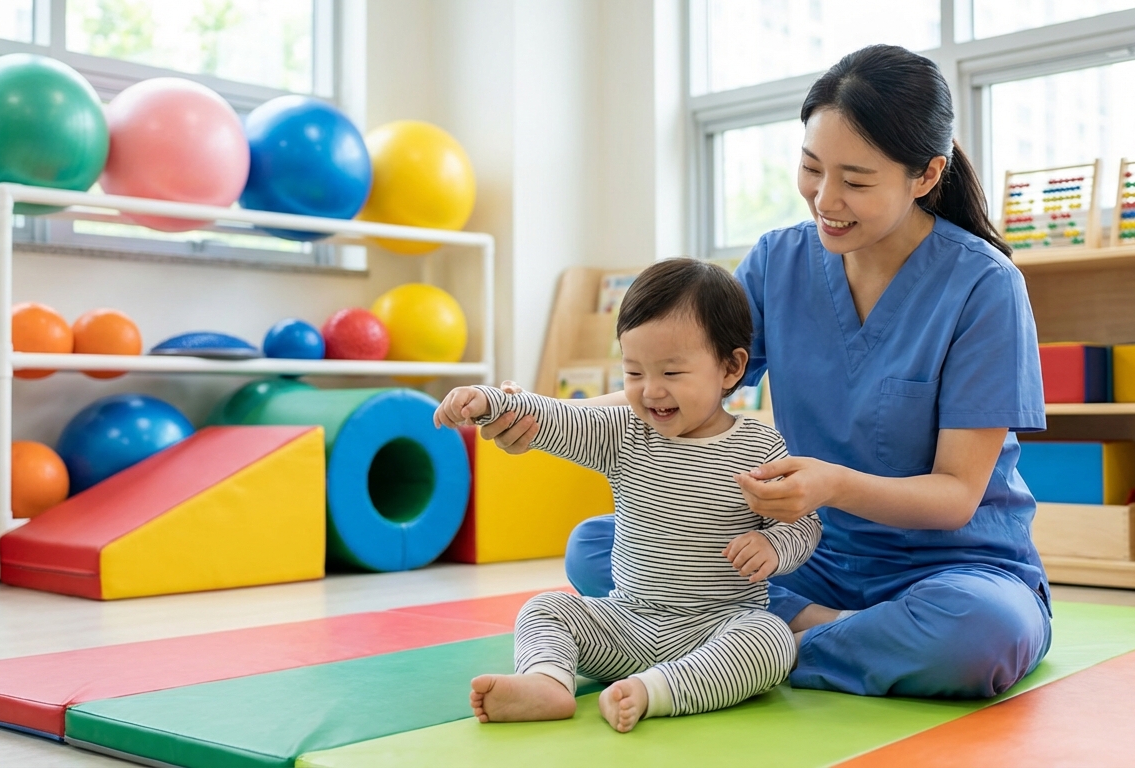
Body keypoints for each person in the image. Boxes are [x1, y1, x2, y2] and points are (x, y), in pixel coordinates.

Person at [480, 44, 1052, 700]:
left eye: (856, 181)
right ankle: (780, 643)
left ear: (926, 175)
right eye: (811, 167)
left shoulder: (984, 286)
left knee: (980, 635)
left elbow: (956, 496)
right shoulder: (779, 260)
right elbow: (678, 383)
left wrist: (832, 485)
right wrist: (542, 416)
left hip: (952, 570)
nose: (825, 199)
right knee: (596, 545)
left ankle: (759, 647)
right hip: (803, 556)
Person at [434, 258, 821, 732]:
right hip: (626, 622)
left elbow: (803, 523)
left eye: (671, 373)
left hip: (715, 630)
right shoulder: (625, 431)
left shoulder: (760, 447)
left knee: (771, 640)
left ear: (730, 368)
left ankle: (656, 691)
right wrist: (492, 401)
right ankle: (548, 681)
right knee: (546, 607)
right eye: (634, 373)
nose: (650, 392)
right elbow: (559, 419)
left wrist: (773, 546)